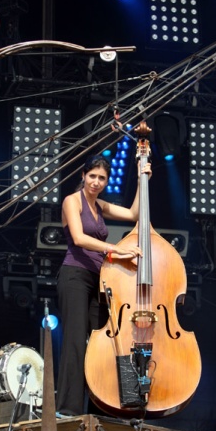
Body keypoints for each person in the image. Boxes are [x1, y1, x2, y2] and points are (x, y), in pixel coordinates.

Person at [56, 154, 152, 416]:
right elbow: (79, 238)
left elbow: (134, 214)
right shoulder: (71, 201)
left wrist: (142, 178)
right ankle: (67, 409)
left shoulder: (100, 205)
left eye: (102, 178)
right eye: (93, 176)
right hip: (74, 275)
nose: (96, 182)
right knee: (75, 342)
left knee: (101, 345)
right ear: (83, 175)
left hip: (99, 280)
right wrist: (116, 251)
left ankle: (98, 406)